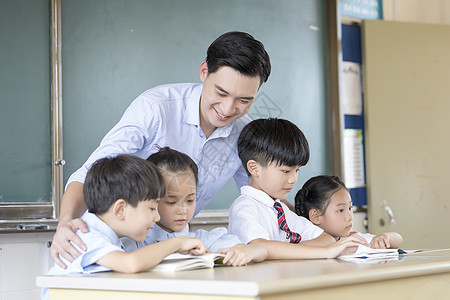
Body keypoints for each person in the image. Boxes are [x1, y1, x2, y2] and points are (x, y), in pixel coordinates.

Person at [51, 31, 271, 268]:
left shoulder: (244, 134)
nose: (228, 108)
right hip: (114, 249)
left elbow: (260, 197)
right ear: (204, 71)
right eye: (221, 93)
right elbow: (91, 172)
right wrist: (65, 222)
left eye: (244, 100)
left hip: (169, 253)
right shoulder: (156, 108)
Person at [42, 155, 208, 299]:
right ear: (121, 209)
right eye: (151, 208)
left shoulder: (109, 238)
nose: (157, 217)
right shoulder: (86, 236)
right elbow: (131, 263)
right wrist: (178, 243)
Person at [228, 118, 368, 260]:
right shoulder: (245, 207)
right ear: (254, 168)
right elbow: (259, 247)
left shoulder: (280, 209)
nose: (294, 179)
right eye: (286, 171)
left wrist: (288, 251)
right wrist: (324, 252)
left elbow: (326, 239)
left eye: (297, 170)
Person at [122, 147, 268, 266]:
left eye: (190, 200)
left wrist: (249, 252)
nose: (183, 210)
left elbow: (261, 250)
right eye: (172, 202)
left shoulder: (201, 240)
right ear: (151, 197)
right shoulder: (133, 242)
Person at [295, 175, 403, 249]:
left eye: (350, 208)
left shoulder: (353, 239)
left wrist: (384, 237)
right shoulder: (305, 245)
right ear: (316, 216)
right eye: (340, 210)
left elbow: (398, 239)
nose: (349, 217)